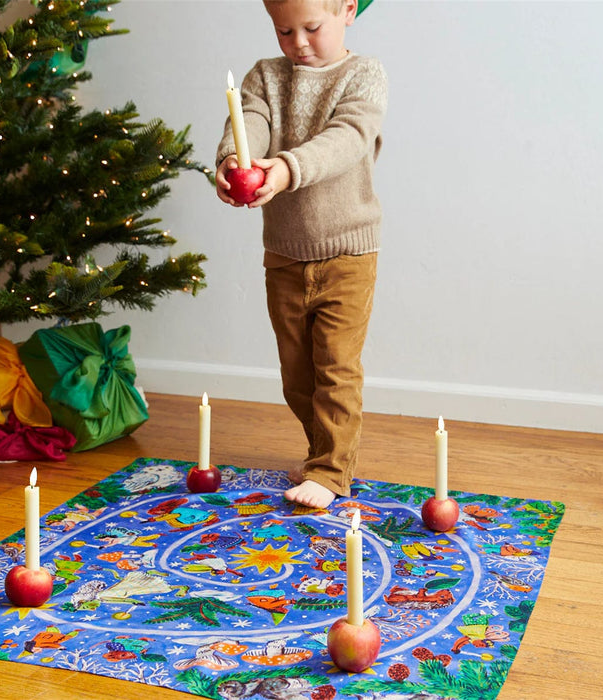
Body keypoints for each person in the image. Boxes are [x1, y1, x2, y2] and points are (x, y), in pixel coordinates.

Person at [215, 0, 388, 508]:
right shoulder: (266, 76)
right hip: (285, 253)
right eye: (283, 31)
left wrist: (287, 169)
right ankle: (322, 455)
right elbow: (249, 120)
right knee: (297, 375)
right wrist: (235, 159)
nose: (299, 43)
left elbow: (347, 138)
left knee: (336, 366)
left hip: (348, 253)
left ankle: (331, 471)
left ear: (348, 10)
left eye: (311, 28)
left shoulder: (365, 75)